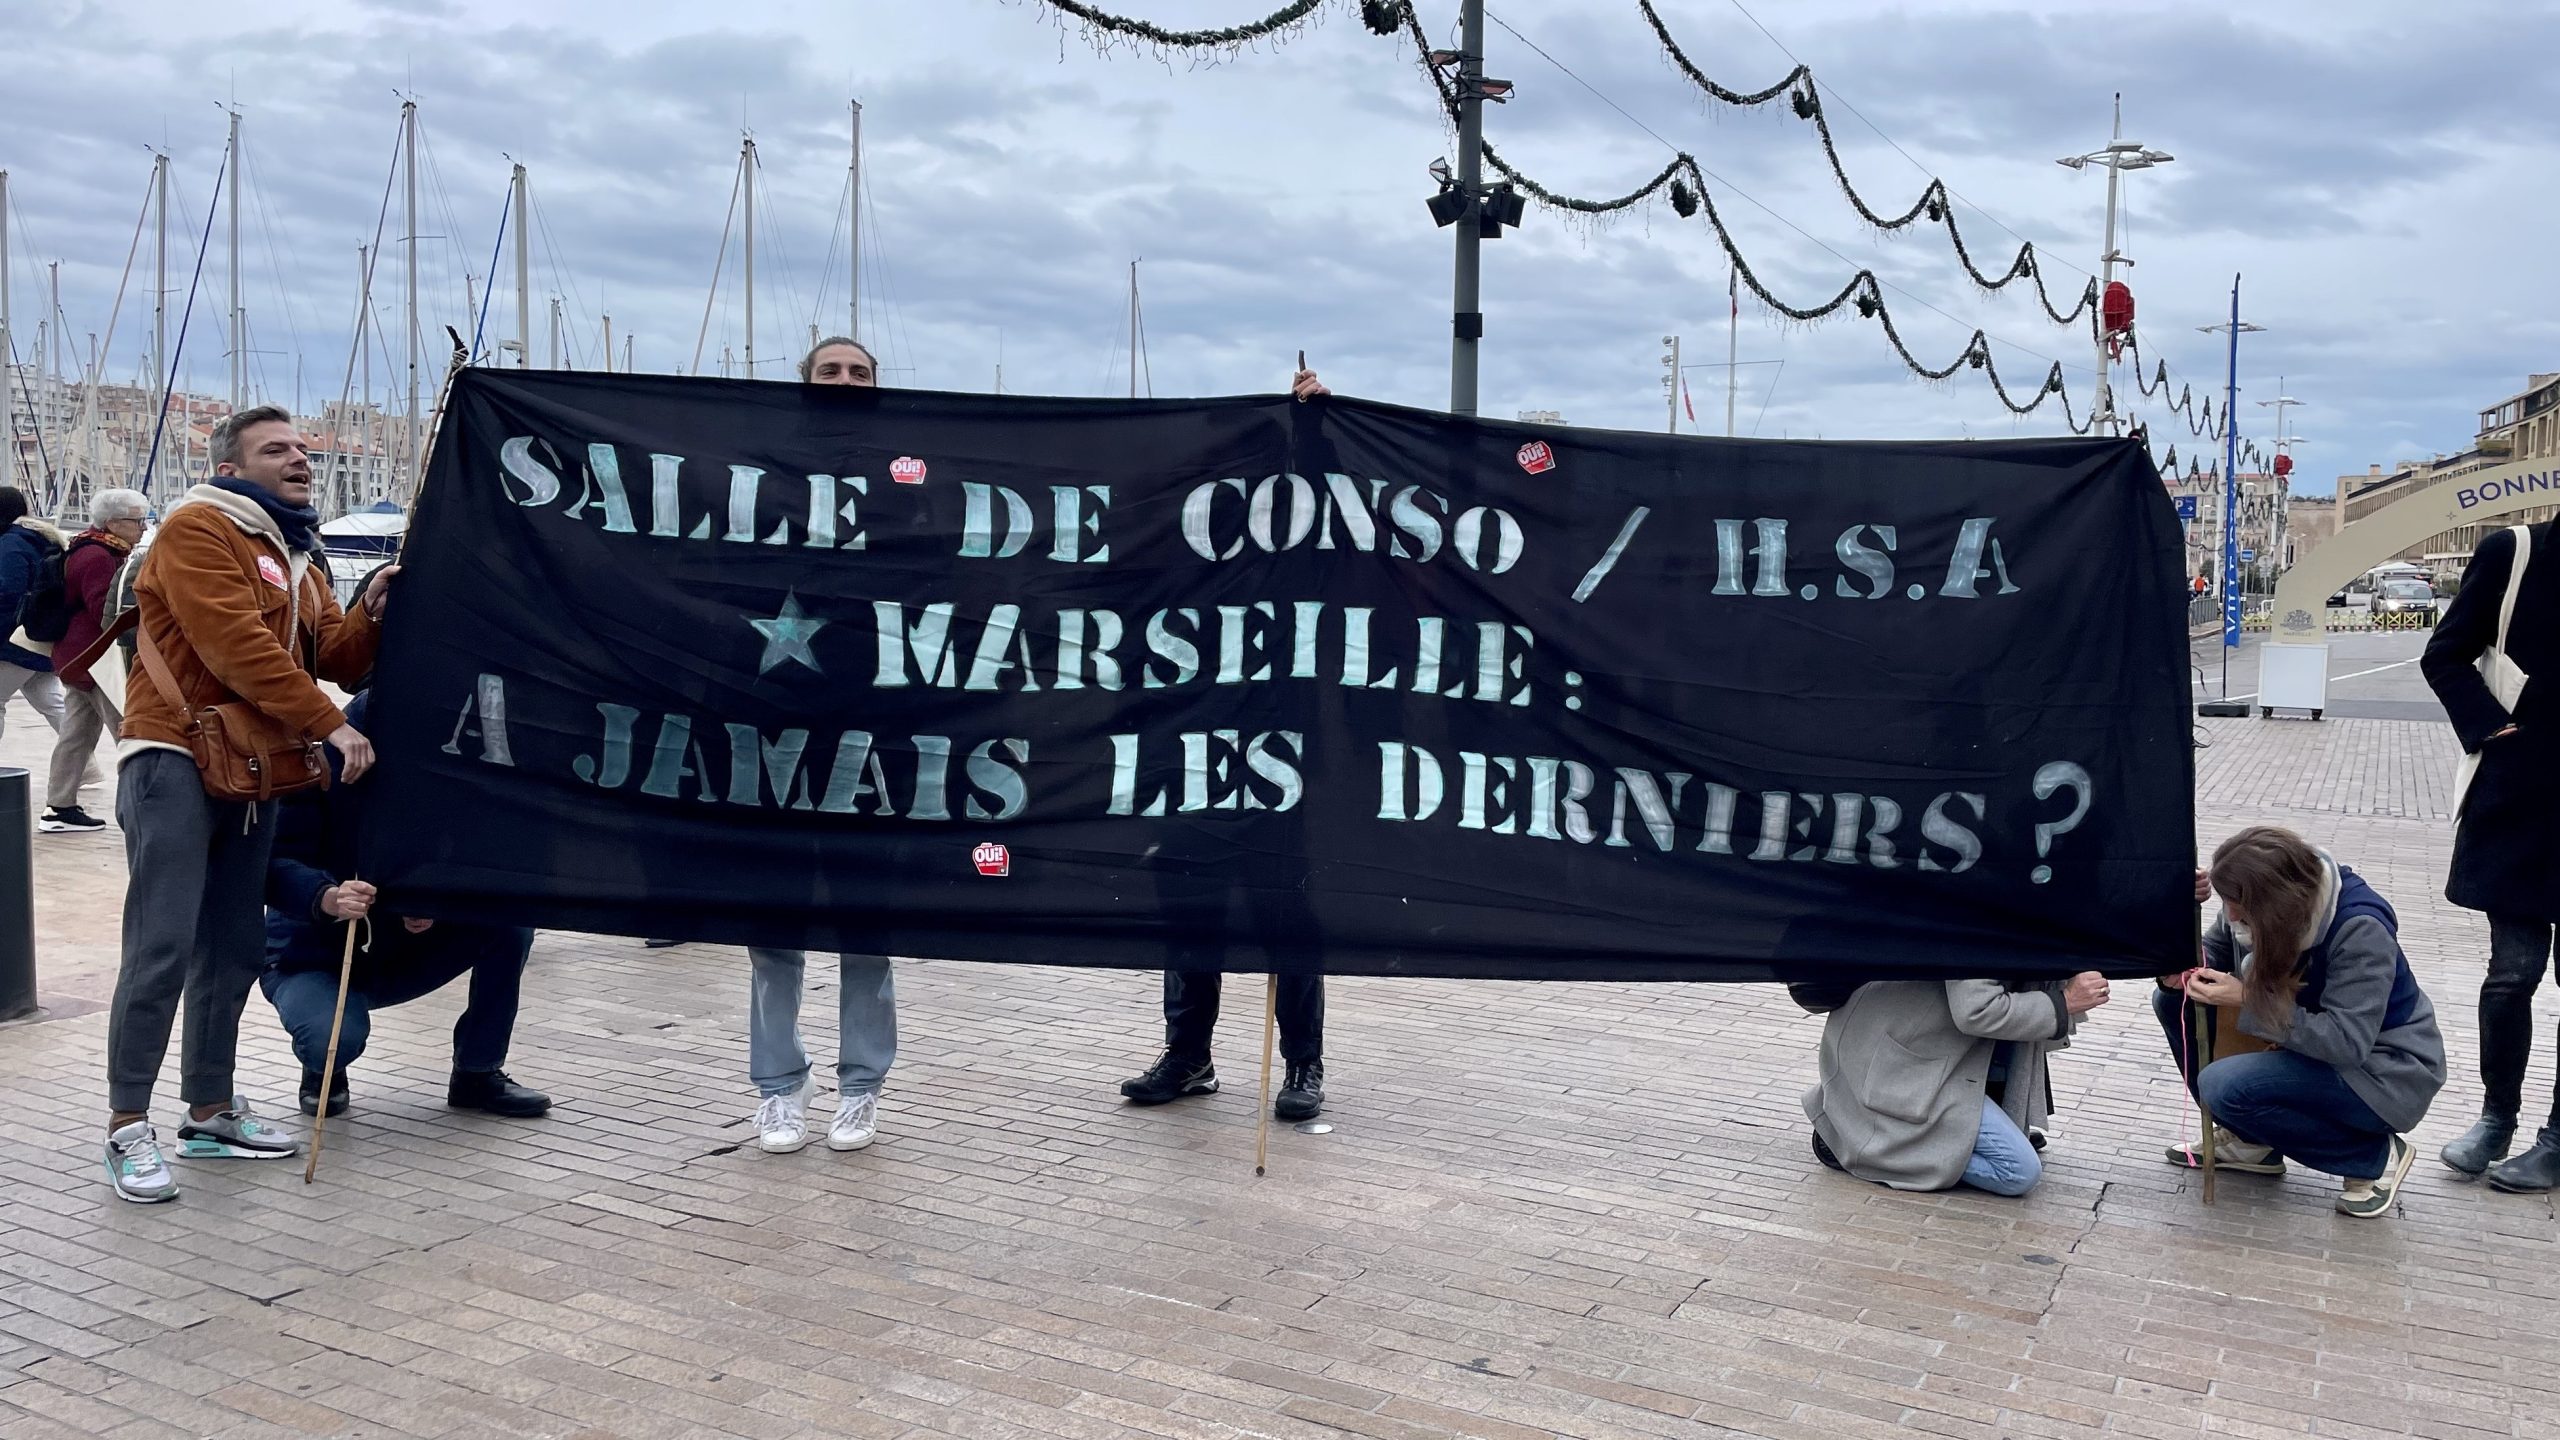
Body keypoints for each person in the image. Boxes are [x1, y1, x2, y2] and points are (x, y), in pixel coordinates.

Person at [101, 405, 388, 1204]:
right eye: (276, 450)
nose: (299, 458)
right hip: (173, 759)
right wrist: (331, 727)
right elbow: (236, 645)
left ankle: (210, 1111)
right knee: (161, 946)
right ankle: (128, 1127)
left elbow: (336, 656)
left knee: (229, 948)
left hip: (255, 771)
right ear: (231, 468)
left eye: (300, 447)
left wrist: (372, 606)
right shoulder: (199, 528)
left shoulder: (297, 551)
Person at [1120, 360, 1332, 1123]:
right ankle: (1189, 1055)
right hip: (1186, 748)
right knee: (1187, 907)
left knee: (1288, 912)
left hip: (1275, 750)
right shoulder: (1169, 545)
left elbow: (1331, 504)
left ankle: (1303, 1062)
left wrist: (1313, 427)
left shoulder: (1292, 543)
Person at [741, 335, 900, 1157]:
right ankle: (777, 1090)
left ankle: (861, 1089)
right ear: (803, 386)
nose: (845, 382)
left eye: (859, 373)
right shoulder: (760, 467)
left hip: (873, 732)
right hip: (770, 730)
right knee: (773, 929)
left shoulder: (915, 467)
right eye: (830, 371)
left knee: (865, 927)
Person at [260, 686, 550, 1120]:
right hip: (314, 953)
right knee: (331, 1038)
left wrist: (436, 899)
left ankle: (478, 1070)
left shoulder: (447, 765)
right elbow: (274, 865)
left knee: (508, 922)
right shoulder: (315, 762)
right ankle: (323, 1069)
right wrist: (326, 897)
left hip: (402, 946)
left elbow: (476, 853)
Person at [2156, 826, 2445, 1218]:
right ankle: (2251, 1143)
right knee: (2174, 1002)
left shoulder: (2359, 929)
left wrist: (2247, 999)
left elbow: (2345, 1043)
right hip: (2311, 1047)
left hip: (2384, 1070)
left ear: (2277, 900)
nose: (2231, 914)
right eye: (2226, 901)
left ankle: (2374, 1155)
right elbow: (2216, 951)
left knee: (2225, 1085)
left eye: (2237, 903)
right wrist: (2181, 969)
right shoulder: (2257, 902)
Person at [2421, 520, 2559, 1190]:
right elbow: (2445, 654)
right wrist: (2491, 729)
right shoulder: (2517, 552)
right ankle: (2495, 1117)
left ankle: (2557, 1139)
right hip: (2521, 803)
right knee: (2512, 975)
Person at [1803, 972, 2105, 1196]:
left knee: (2012, 1148)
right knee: (2018, 1172)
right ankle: (1853, 1140)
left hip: (1928, 1054)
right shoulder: (1983, 905)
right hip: (1901, 1063)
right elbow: (1977, 1011)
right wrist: (2064, 1002)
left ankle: (1870, 1132)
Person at [40, 487, 148, 832]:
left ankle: (59, 806)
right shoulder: (99, 557)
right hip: (95, 658)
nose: (143, 528)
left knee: (77, 733)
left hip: (76, 655)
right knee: (131, 732)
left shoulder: (86, 547)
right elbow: (106, 610)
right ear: (113, 523)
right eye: (136, 521)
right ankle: (144, 807)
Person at [0, 485, 71, 747]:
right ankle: (84, 766)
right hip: (41, 635)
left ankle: (81, 764)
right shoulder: (41, 538)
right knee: (50, 700)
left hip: (14, 639)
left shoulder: (10, 543)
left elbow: (7, 592)